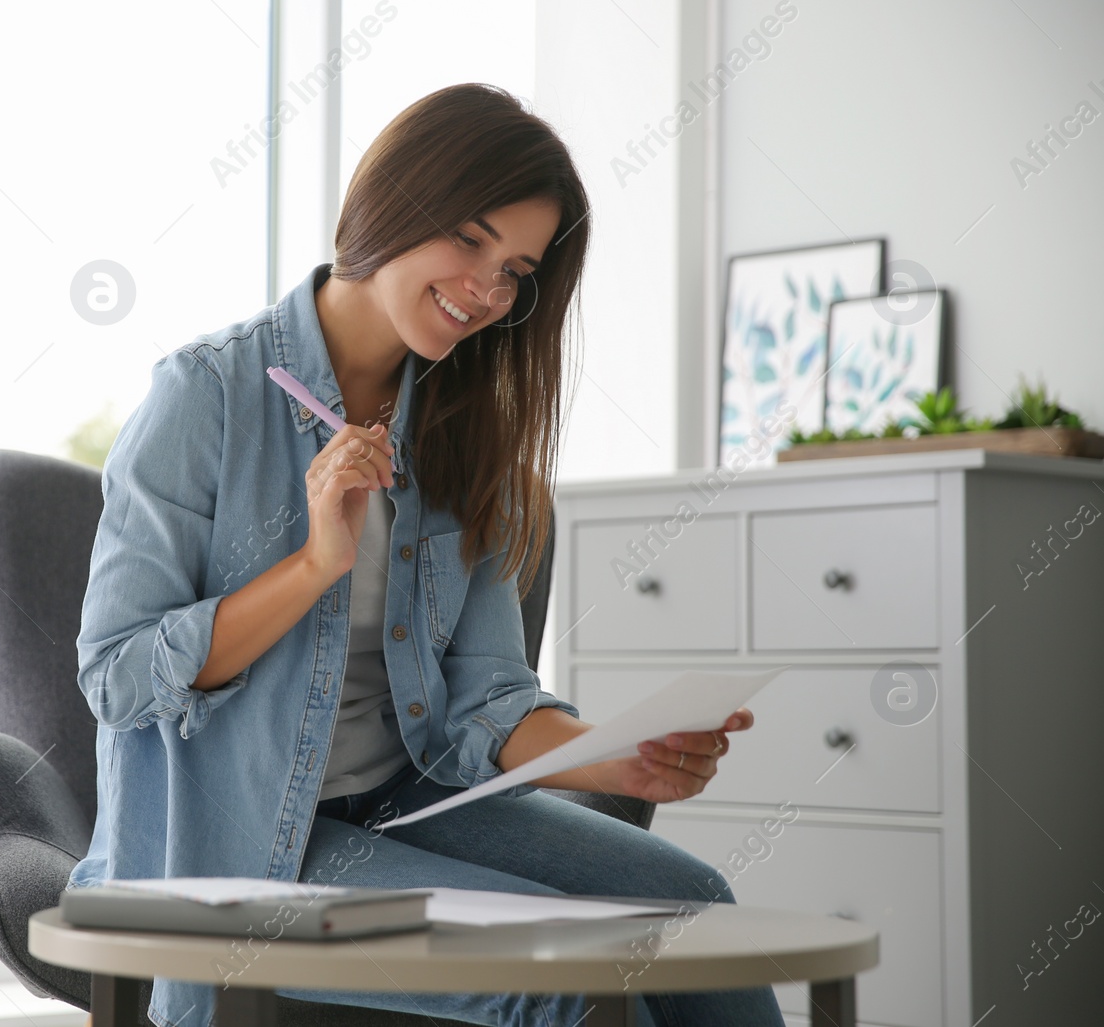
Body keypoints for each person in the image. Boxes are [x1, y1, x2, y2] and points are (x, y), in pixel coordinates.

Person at [69, 83, 784, 1027]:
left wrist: (620, 763)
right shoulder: (206, 397)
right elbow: (117, 675)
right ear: (392, 205)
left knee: (694, 910)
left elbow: (483, 701)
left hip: (404, 803)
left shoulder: (463, 429)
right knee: (571, 968)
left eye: (518, 270)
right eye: (471, 239)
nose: (488, 288)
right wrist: (315, 563)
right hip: (234, 843)